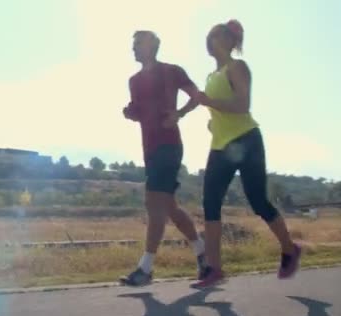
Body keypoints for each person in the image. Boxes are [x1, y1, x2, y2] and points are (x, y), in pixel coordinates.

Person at [179, 19, 302, 288]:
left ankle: (290, 249)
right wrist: (211, 121)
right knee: (210, 203)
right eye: (208, 36)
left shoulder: (237, 67)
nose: (209, 41)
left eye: (215, 36)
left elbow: (243, 104)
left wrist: (209, 103)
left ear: (228, 41)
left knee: (258, 201)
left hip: (247, 141)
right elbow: (221, 110)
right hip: (221, 145)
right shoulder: (211, 76)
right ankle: (214, 269)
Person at [119, 30, 206, 286]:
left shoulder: (172, 71)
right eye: (132, 44)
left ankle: (145, 269)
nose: (133, 49)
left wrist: (179, 114)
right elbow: (140, 109)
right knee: (169, 207)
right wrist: (130, 112)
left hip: (169, 145)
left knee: (153, 204)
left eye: (137, 45)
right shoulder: (134, 80)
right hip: (150, 149)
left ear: (152, 46)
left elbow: (197, 96)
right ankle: (203, 255)